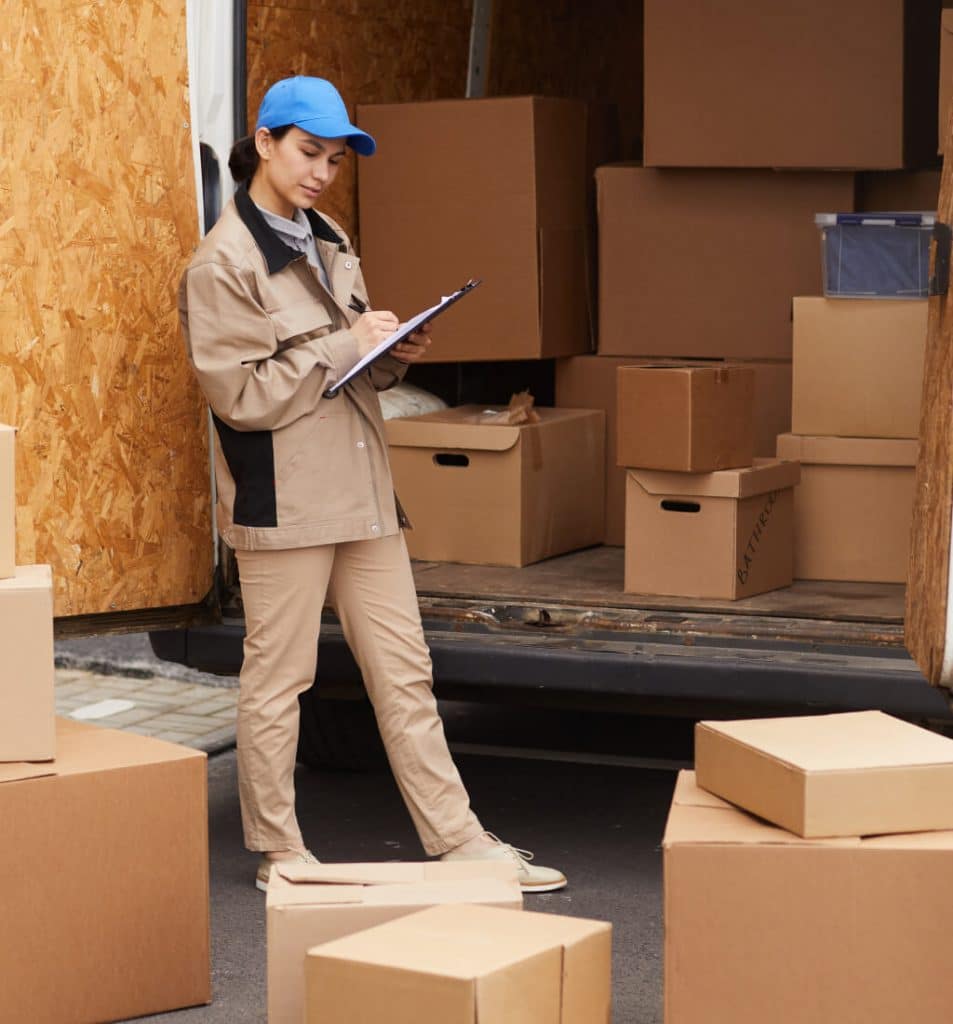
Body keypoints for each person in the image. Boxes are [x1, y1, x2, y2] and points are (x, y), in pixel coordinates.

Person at [177, 76, 566, 894]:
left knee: (404, 670)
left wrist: (389, 353)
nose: (322, 171)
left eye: (334, 158)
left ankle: (458, 840)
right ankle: (280, 855)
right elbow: (241, 398)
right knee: (279, 681)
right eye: (309, 152)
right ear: (267, 140)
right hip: (284, 500)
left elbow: (344, 372)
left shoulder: (328, 236)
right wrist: (340, 341)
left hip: (362, 490)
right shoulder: (222, 262)